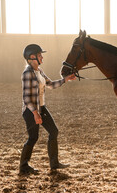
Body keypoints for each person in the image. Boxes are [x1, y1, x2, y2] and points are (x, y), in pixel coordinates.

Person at [19, 44, 76, 174]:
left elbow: (50, 84)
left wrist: (65, 79)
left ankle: (54, 164)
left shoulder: (39, 71)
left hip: (41, 108)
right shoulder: (27, 74)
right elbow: (26, 98)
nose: (42, 57)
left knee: (54, 132)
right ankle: (23, 166)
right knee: (33, 137)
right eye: (40, 55)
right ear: (32, 57)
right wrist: (35, 113)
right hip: (30, 111)